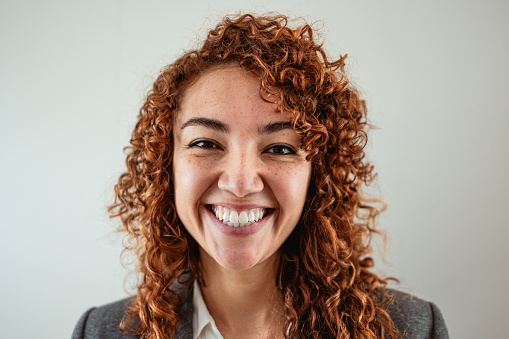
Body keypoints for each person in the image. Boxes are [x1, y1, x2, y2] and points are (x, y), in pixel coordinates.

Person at [72, 13, 449, 339]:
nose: (239, 183)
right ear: (166, 165)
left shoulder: (410, 329)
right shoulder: (100, 332)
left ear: (316, 175)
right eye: (206, 143)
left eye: (281, 148)